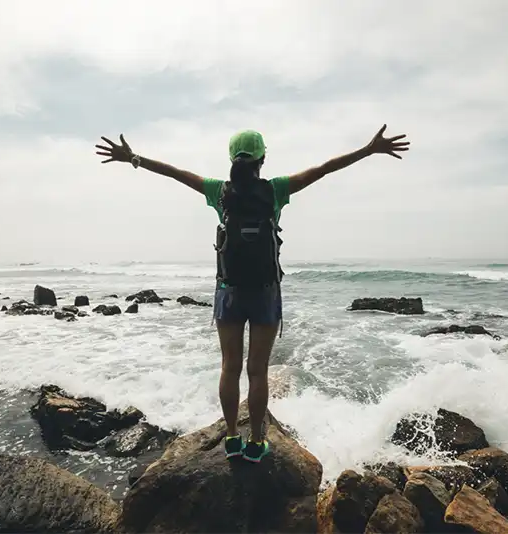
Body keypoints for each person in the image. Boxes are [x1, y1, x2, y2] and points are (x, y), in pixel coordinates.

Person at [94, 125, 410, 462]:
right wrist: (367, 150)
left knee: (229, 367)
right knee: (257, 370)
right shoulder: (276, 190)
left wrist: (134, 158)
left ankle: (232, 438)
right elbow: (324, 169)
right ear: (263, 158)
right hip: (265, 292)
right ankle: (257, 442)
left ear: (231, 157)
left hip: (228, 291)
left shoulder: (219, 191)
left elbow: (175, 173)